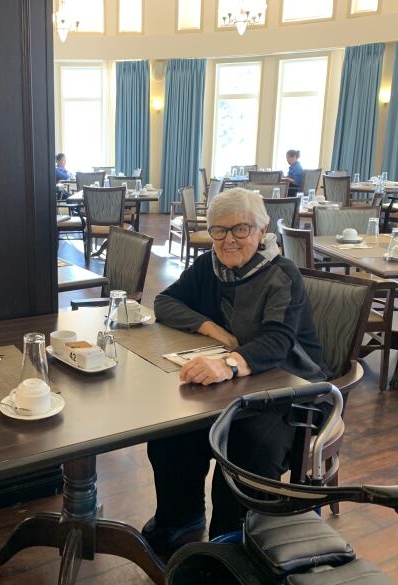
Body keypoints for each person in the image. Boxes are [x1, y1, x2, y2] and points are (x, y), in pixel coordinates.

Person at [142, 188, 330, 555]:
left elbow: (277, 342)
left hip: (291, 389)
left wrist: (227, 363)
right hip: (236, 387)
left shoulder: (281, 274)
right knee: (170, 434)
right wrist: (212, 330)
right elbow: (165, 302)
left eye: (240, 230)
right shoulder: (209, 265)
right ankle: (181, 519)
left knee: (246, 443)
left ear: (261, 232)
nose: (228, 240)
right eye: (218, 230)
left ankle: (233, 543)